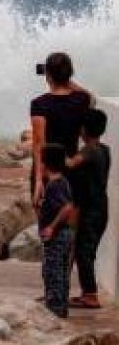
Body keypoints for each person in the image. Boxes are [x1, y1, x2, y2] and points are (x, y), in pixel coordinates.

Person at [30, 52, 93, 208]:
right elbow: (90, 97)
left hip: (49, 170)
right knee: (70, 217)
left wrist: (38, 180)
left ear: (48, 75)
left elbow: (39, 143)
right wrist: (63, 78)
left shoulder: (40, 104)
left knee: (47, 219)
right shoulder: (82, 100)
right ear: (69, 74)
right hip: (71, 167)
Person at [66, 108, 111, 309]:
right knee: (86, 250)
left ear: (83, 130)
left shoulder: (89, 151)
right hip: (100, 207)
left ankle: (91, 295)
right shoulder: (104, 149)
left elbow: (70, 164)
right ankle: (87, 293)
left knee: (84, 251)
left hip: (91, 210)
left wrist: (50, 153)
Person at [39, 143, 75, 318]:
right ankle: (61, 308)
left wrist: (51, 227)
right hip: (64, 235)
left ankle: (55, 310)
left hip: (57, 236)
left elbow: (67, 207)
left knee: (53, 273)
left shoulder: (55, 185)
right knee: (61, 272)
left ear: (46, 164)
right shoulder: (63, 182)